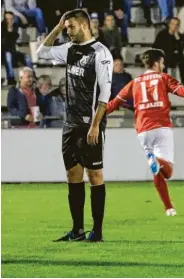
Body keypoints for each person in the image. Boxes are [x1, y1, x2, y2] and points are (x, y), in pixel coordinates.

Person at [106, 49, 184, 216]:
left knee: (157, 172)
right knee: (167, 171)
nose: (164, 65)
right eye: (162, 62)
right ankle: (158, 162)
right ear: (155, 63)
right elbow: (183, 92)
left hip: (142, 130)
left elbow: (113, 104)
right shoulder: (163, 78)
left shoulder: (134, 82)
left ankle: (168, 207)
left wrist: (94, 118)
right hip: (161, 126)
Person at [36, 9, 114, 242]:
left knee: (95, 175)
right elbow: (42, 52)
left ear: (83, 26)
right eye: (66, 28)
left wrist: (95, 126)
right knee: (72, 174)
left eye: (70, 27)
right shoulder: (69, 50)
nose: (67, 31)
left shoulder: (101, 53)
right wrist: (58, 27)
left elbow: (105, 94)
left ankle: (97, 231)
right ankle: (77, 230)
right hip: (70, 124)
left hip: (90, 124)